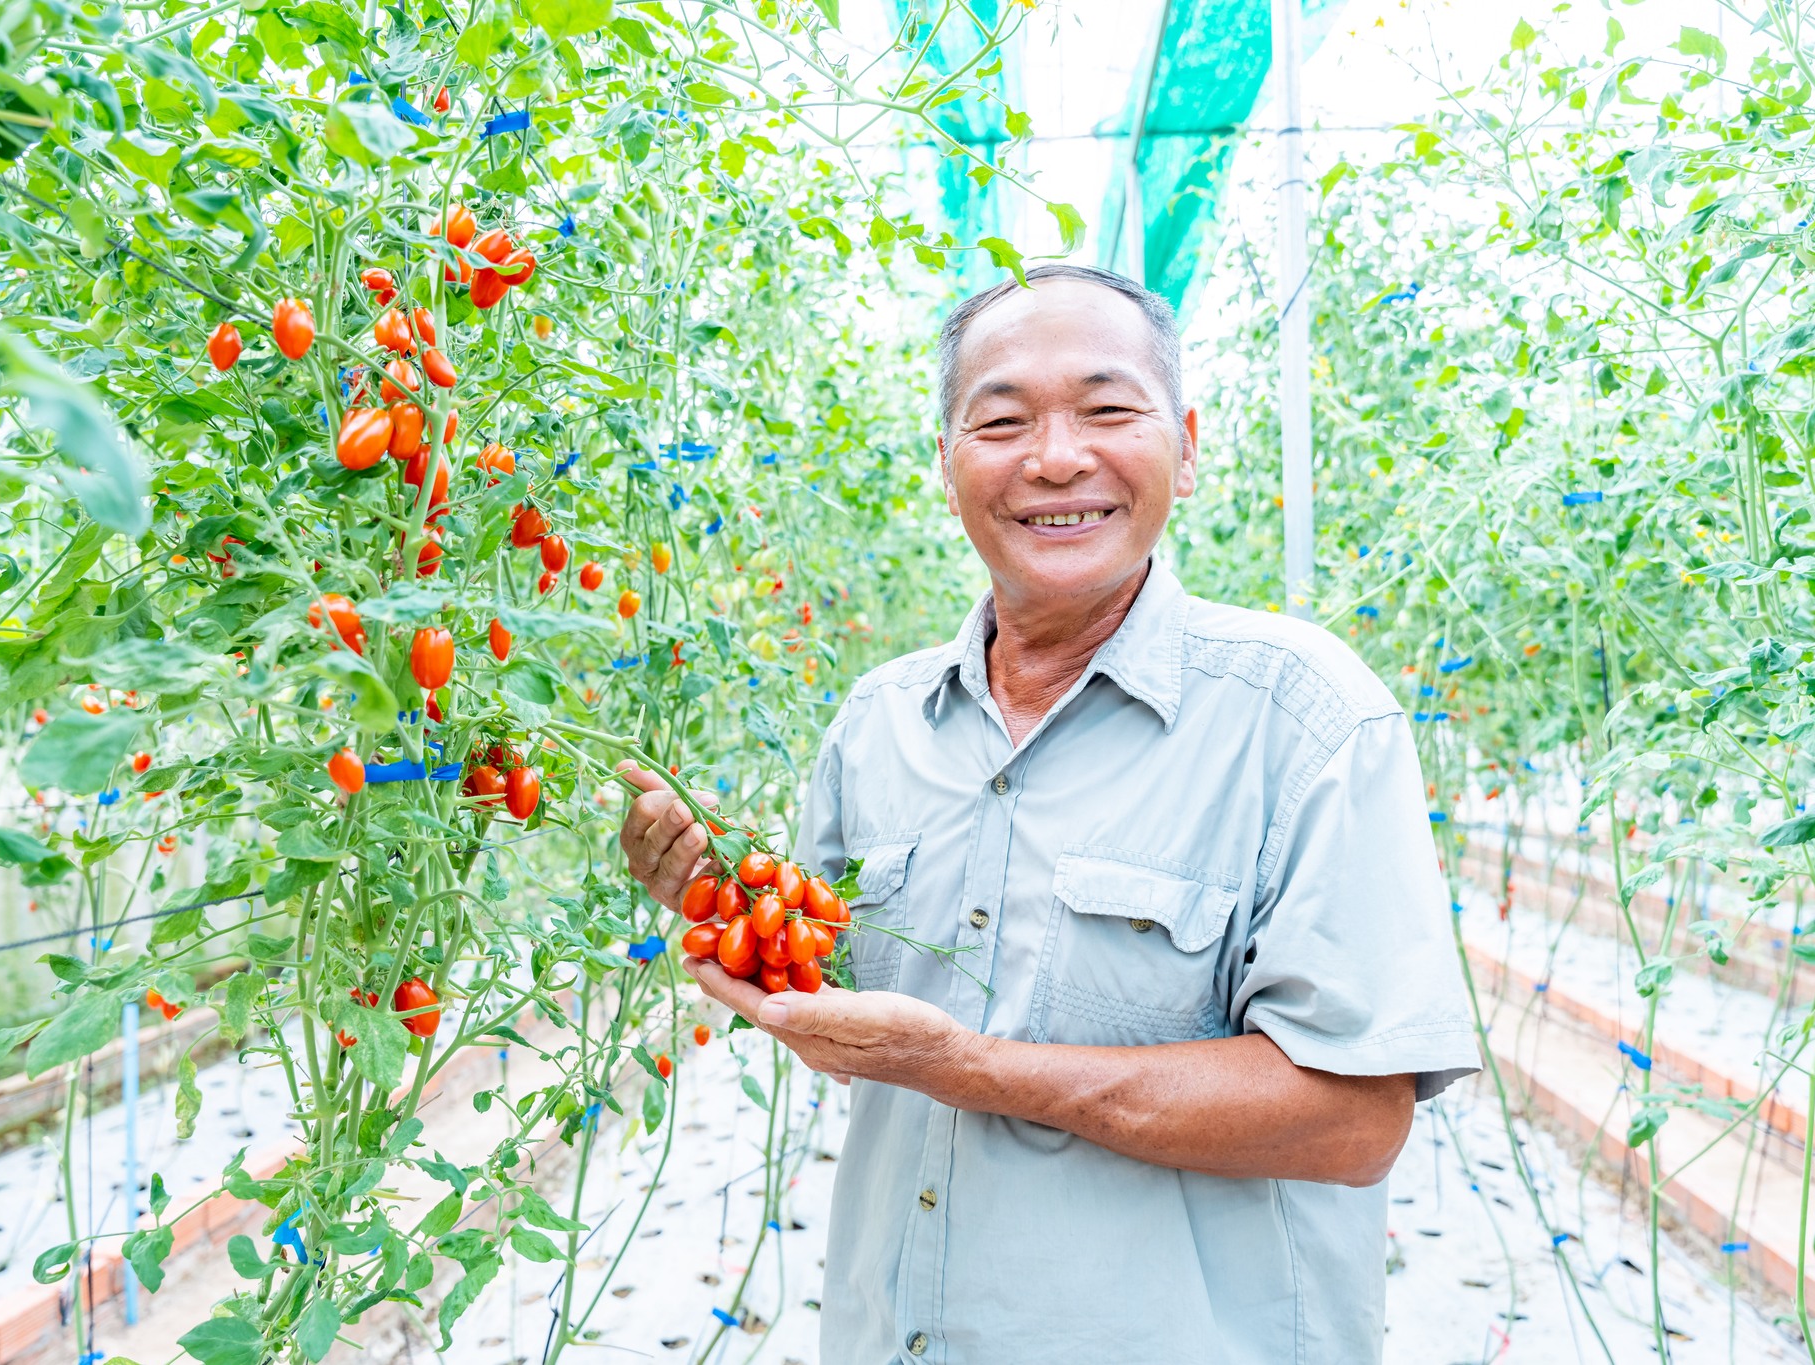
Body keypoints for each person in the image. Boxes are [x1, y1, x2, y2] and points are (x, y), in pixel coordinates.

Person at [616, 264, 1478, 1363]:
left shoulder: (1303, 719)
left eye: (1108, 409)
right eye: (1002, 420)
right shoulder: (879, 724)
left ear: (1186, 442)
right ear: (945, 463)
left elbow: (1354, 1121)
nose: (1056, 458)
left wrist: (965, 1066)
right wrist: (723, 906)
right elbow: (842, 1019)